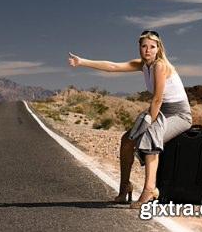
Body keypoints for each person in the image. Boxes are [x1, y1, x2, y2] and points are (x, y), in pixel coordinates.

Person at [67, 30, 192, 209]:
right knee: (127, 140)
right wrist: (82, 62)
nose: (147, 50)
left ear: (158, 48)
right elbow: (113, 66)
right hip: (161, 110)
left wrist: (150, 122)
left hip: (179, 114)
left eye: (152, 47)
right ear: (139, 48)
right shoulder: (143, 65)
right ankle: (125, 186)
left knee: (149, 136)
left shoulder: (159, 66)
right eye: (144, 46)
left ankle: (149, 189)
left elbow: (157, 99)